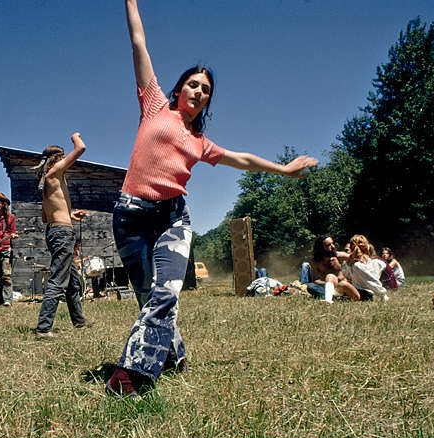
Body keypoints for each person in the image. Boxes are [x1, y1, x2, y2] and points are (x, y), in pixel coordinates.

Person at [106, 0, 318, 397]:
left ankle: (129, 376)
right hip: (130, 214)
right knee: (147, 297)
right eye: (193, 84)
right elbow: (139, 43)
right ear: (178, 88)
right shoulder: (153, 106)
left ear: (206, 101)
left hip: (172, 217)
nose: (199, 91)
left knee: (166, 293)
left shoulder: (199, 142)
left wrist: (283, 169)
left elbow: (241, 159)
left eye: (206, 90)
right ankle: (175, 353)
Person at [33, 133, 94, 338]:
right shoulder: (54, 172)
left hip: (55, 230)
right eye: (63, 157)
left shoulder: (47, 183)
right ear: (57, 158)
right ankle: (44, 328)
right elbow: (81, 148)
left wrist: (70, 214)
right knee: (58, 280)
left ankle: (79, 320)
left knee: (73, 282)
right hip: (62, 233)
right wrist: (75, 136)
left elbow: (45, 217)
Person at [299, 235, 359, 303]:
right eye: (328, 245)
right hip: (324, 287)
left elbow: (356, 259)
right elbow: (315, 280)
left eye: (332, 243)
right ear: (321, 248)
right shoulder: (315, 262)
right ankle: (332, 296)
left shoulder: (340, 256)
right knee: (309, 286)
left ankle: (331, 296)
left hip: (340, 286)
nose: (333, 246)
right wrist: (328, 284)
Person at [347, 235, 389, 301]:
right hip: (365, 292)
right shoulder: (375, 262)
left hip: (362, 294)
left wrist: (382, 294)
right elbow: (383, 265)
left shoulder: (357, 265)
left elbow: (371, 280)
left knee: (342, 284)